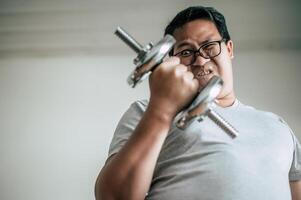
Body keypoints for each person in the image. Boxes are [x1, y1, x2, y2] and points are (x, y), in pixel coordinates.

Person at [95, 6, 301, 200]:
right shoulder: (146, 112)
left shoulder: (277, 125)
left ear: (229, 48)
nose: (200, 60)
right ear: (172, 60)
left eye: (210, 46)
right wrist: (162, 109)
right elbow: (113, 197)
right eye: (186, 52)